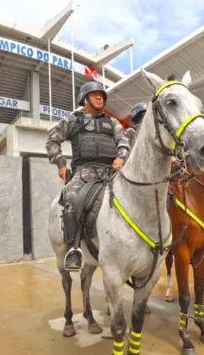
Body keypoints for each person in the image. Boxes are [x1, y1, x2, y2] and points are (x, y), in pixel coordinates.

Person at [46, 81, 130, 270]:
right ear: (85, 99)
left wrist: (121, 157)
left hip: (111, 171)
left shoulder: (112, 122)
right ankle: (73, 249)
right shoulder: (72, 120)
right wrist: (60, 164)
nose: (100, 97)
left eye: (102, 95)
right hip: (84, 172)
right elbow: (52, 141)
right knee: (70, 199)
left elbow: (124, 142)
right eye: (95, 95)